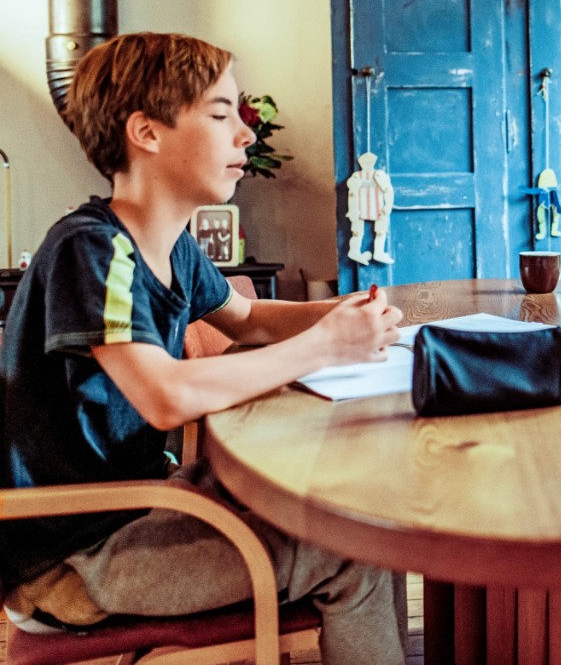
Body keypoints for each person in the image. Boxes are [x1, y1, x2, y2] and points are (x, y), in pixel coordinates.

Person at [0, 33, 406, 664]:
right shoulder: (94, 250)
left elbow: (248, 320)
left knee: (347, 518)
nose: (245, 133)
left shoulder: (172, 246)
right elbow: (164, 396)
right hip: (76, 557)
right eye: (221, 114)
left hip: (130, 513)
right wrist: (325, 346)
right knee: (358, 549)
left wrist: (338, 313)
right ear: (147, 133)